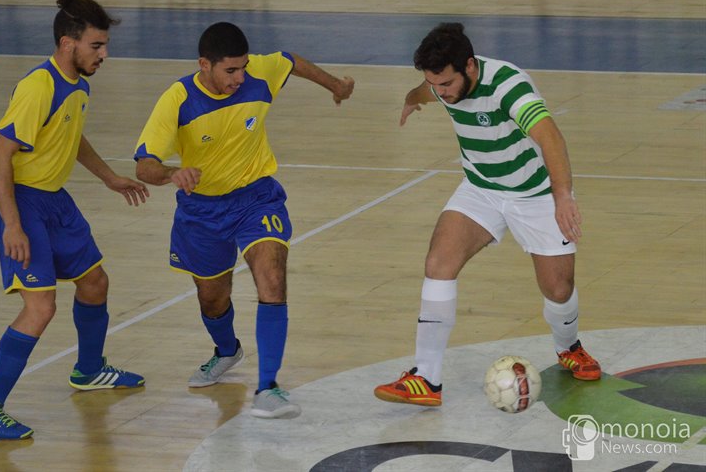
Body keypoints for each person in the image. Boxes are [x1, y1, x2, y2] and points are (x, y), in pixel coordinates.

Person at [134, 21, 354, 419]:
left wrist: (336, 85)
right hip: (201, 211)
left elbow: (290, 62)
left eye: (243, 69)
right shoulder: (178, 99)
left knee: (271, 276)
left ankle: (268, 387)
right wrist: (170, 173)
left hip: (257, 198)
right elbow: (144, 166)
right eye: (230, 71)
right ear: (204, 65)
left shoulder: (257, 74)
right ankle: (226, 351)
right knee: (212, 298)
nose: (240, 78)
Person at [374, 22, 601, 407]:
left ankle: (569, 347)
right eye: (434, 84)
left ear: (470, 67)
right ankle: (427, 378)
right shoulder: (440, 83)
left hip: (535, 193)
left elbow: (551, 137)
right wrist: (414, 98)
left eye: (446, 83)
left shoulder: (508, 85)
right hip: (481, 188)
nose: (441, 91)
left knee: (558, 289)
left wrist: (563, 197)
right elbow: (427, 91)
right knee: (438, 263)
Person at [0, 0, 150, 440]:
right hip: (22, 202)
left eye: (104, 46)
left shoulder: (77, 85)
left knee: (94, 281)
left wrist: (108, 177)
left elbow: (72, 136)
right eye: (96, 46)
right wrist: (12, 224)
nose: (103, 55)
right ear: (69, 43)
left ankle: (89, 370)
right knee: (40, 307)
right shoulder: (37, 87)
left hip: (54, 199)